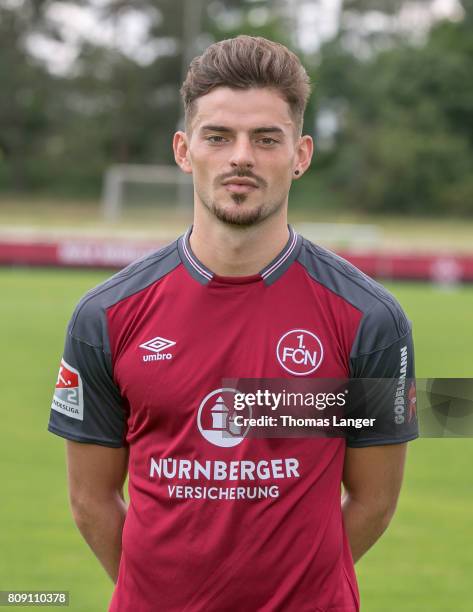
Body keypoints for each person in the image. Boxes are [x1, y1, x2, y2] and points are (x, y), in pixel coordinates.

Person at [48, 35, 418, 612]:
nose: (240, 156)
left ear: (301, 155)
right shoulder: (105, 316)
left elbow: (373, 500)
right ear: (183, 149)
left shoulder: (370, 318)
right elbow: (90, 499)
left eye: (266, 138)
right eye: (218, 136)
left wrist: (295, 591)